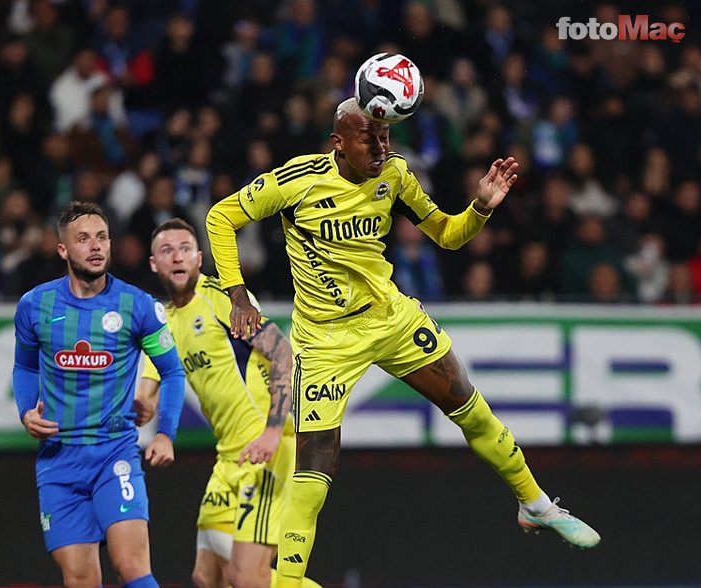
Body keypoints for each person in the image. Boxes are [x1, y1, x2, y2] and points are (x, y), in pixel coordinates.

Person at [205, 97, 601, 586]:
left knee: (471, 409)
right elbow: (220, 217)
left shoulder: (395, 175)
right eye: (368, 138)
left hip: (390, 318)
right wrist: (237, 295)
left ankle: (535, 504)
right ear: (338, 143)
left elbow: (447, 235)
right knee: (314, 472)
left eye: (386, 136)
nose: (381, 147)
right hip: (326, 340)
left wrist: (480, 207)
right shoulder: (297, 181)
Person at [135, 218, 319, 588]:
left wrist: (272, 432)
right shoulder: (162, 323)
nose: (177, 257)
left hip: (266, 450)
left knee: (247, 577)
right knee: (208, 577)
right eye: (167, 250)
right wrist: (136, 410)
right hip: (228, 459)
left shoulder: (223, 299)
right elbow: (145, 397)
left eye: (185, 248)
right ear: (154, 263)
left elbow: (282, 353)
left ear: (199, 258)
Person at [12, 201, 185, 587]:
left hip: (114, 453)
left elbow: (172, 370)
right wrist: (26, 412)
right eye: (84, 239)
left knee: (132, 567)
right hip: (58, 462)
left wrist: (165, 433)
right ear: (63, 249)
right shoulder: (35, 306)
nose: (95, 246)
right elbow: (25, 367)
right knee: (81, 578)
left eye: (102, 237)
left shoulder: (138, 305)